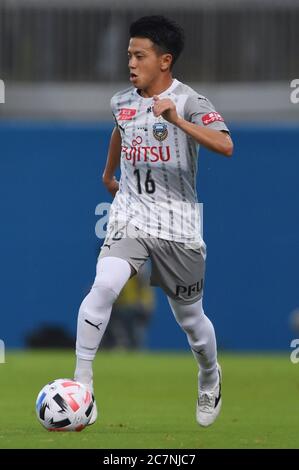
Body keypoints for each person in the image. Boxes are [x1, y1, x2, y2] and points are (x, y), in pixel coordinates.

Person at [74, 15, 233, 428]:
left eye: (139, 55)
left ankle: (210, 377)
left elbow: (226, 145)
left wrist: (177, 121)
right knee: (105, 285)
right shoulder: (121, 101)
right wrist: (108, 175)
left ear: (164, 61)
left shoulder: (191, 102)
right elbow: (120, 131)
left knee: (191, 321)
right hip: (130, 214)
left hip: (178, 223)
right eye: (129, 54)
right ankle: (82, 386)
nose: (131, 62)